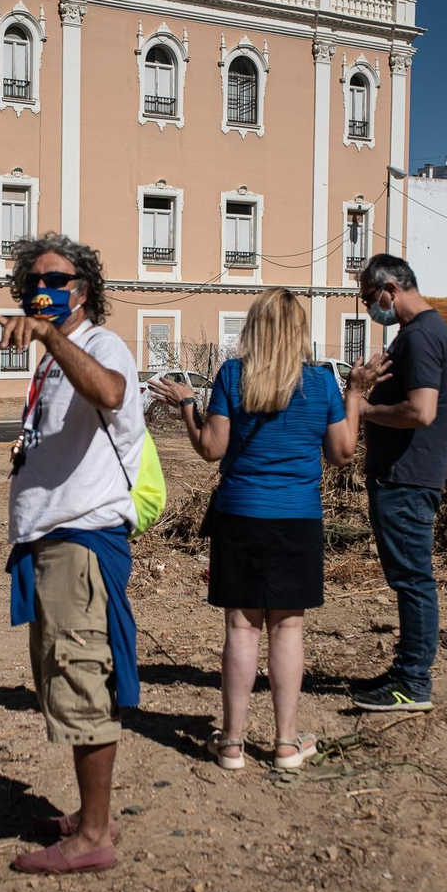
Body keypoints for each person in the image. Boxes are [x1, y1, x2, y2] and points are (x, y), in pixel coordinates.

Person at [149, 288, 359, 770]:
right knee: (288, 627)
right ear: (299, 333)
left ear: (254, 329)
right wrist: (356, 392)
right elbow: (343, 452)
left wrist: (187, 405)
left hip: (240, 516)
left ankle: (232, 743)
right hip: (297, 519)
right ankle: (286, 744)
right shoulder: (321, 384)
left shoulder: (232, 376)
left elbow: (211, 448)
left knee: (241, 628)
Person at [0, 233, 144, 875]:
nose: (43, 290)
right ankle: (91, 817)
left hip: (81, 543)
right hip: (51, 542)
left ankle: (93, 840)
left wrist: (53, 337)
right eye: (34, 281)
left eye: (58, 279)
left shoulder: (98, 344)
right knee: (62, 677)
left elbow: (110, 393)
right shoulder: (54, 359)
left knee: (82, 684)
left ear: (83, 291)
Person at [346, 254, 447, 712]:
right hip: (404, 476)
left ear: (391, 289)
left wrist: (366, 409)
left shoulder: (421, 337)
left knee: (413, 579)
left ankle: (413, 682)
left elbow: (422, 411)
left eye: (371, 300)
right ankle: (406, 669)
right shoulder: (418, 336)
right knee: (409, 578)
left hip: (407, 479)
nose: (372, 310)